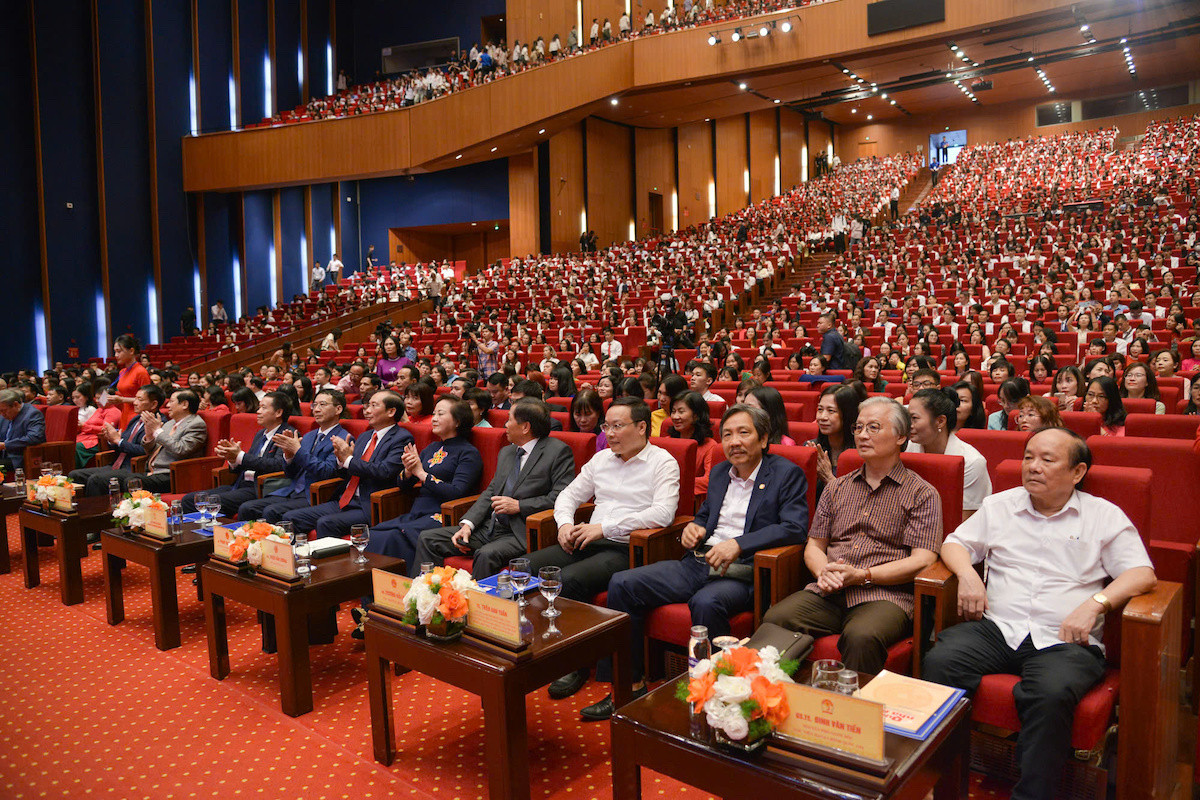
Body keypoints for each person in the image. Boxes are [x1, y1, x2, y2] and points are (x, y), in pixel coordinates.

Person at [923, 428, 1156, 800]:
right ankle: (943, 785)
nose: (1033, 466)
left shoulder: (1102, 515)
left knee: (1050, 693)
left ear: (1077, 472)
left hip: (1064, 638)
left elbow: (1142, 573)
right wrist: (967, 574)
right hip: (998, 628)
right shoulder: (1000, 506)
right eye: (1028, 457)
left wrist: (1096, 603)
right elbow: (955, 543)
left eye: (1047, 459)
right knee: (940, 662)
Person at [578, 405, 810, 720]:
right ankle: (628, 686)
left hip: (741, 570)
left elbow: (794, 528)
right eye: (727, 434)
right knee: (623, 582)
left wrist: (738, 544)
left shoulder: (785, 473)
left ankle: (716, 696)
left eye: (743, 433)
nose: (734, 442)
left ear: (764, 438)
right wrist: (695, 527)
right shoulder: (721, 472)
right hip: (698, 562)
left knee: (706, 602)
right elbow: (706, 515)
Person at [762, 397, 942, 673]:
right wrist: (824, 573)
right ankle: (778, 694)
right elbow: (814, 545)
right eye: (858, 428)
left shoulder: (922, 493)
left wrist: (863, 575)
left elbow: (923, 560)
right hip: (829, 590)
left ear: (901, 437)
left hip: (885, 595)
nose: (862, 435)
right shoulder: (837, 488)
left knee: (862, 636)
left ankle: (851, 701)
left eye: (873, 427)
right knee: (776, 617)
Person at [533, 398, 680, 692]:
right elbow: (568, 496)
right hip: (588, 539)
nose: (609, 434)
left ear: (642, 427)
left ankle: (574, 663)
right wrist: (564, 524)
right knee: (532, 567)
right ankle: (542, 647)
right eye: (606, 426)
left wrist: (605, 528)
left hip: (628, 547)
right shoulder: (601, 460)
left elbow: (663, 514)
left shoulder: (663, 462)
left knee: (570, 580)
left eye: (617, 426)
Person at [415, 398, 575, 580]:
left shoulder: (558, 452)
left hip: (520, 531)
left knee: (486, 554)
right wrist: (468, 524)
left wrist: (519, 506)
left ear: (525, 427)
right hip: (489, 527)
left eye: (509, 419)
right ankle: (425, 593)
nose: (505, 425)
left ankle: (476, 599)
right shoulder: (507, 452)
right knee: (428, 539)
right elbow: (491, 491)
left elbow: (560, 498)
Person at [363, 396, 483, 576]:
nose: (434, 418)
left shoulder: (468, 453)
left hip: (443, 515)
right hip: (417, 512)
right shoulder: (432, 447)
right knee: (374, 534)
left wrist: (421, 474)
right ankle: (374, 590)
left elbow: (457, 492)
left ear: (457, 421)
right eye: (434, 414)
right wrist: (408, 471)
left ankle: (403, 587)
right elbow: (403, 486)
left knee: (392, 537)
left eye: (440, 414)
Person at [282, 391, 412, 538]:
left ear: (391, 411)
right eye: (367, 406)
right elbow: (349, 472)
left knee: (326, 523)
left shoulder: (401, 438)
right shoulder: (365, 436)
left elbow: (384, 471)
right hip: (345, 499)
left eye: (373, 406)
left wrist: (348, 460)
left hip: (370, 504)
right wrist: (341, 461)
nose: (367, 411)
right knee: (290, 518)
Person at [236, 389, 351, 521]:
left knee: (271, 511)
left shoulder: (343, 439)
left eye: (322, 404)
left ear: (338, 409)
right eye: (314, 405)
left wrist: (297, 451)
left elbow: (326, 472)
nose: (316, 409)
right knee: (247, 508)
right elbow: (291, 473)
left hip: (315, 494)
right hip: (292, 489)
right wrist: (289, 456)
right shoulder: (309, 436)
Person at [181, 392, 294, 517]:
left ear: (278, 412)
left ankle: (214, 529)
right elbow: (249, 462)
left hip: (259, 488)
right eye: (259, 407)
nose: (258, 411)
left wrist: (240, 456)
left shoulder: (287, 435)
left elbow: (277, 465)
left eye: (263, 408)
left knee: (211, 502)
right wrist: (232, 459)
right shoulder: (261, 434)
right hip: (240, 484)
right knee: (189, 500)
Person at [84, 389, 207, 494]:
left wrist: (158, 431)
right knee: (110, 480)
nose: (168, 406)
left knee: (131, 481)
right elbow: (150, 451)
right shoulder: (170, 424)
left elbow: (180, 449)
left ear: (184, 404)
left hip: (173, 474)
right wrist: (149, 437)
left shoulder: (196, 425)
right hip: (152, 471)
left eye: (171, 402)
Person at [907, 387, 992, 521]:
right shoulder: (907, 448)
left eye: (914, 418)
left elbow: (965, 521)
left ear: (940, 421)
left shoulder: (971, 461)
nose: (908, 425)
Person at [68, 384, 163, 489]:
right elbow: (119, 444)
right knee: (74, 475)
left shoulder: (159, 423)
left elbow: (145, 451)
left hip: (132, 468)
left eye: (139, 400)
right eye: (135, 398)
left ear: (154, 404)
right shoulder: (136, 419)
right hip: (116, 464)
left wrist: (119, 441)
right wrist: (111, 440)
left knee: (96, 480)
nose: (134, 402)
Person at [665, 391, 722, 494]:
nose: (675, 417)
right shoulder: (667, 442)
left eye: (681, 412)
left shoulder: (709, 445)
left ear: (696, 415)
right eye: (673, 411)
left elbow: (709, 480)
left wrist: (674, 483)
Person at [73, 382, 120, 468]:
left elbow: (105, 429)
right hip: (85, 436)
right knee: (67, 444)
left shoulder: (114, 411)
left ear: (110, 398)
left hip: (98, 441)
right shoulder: (99, 409)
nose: (97, 401)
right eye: (96, 398)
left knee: (75, 447)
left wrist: (84, 426)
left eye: (100, 398)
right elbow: (87, 424)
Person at [110, 334, 152, 427]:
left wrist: (122, 399)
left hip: (137, 416)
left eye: (119, 351)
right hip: (124, 414)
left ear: (131, 351)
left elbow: (147, 400)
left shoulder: (141, 372)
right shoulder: (122, 371)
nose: (116, 355)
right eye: (115, 352)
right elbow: (121, 394)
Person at [0, 388, 46, 471]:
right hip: (3, 455)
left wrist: (5, 445)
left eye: (3, 411)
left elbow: (34, 438)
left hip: (19, 457)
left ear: (16, 404)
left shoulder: (32, 414)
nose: (2, 414)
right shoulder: (5, 414)